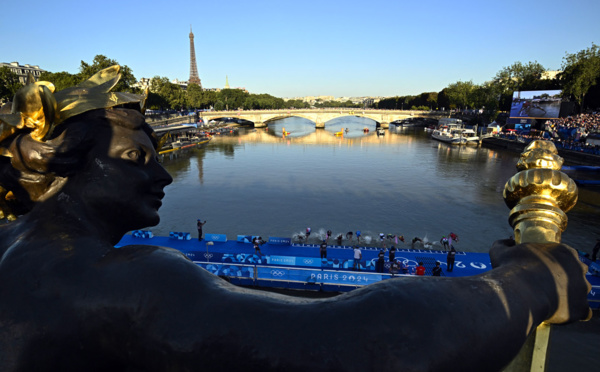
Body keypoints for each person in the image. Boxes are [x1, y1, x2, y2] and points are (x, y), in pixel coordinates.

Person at [0, 67, 592, 372]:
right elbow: (366, 348)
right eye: (136, 158)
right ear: (65, 165)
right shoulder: (128, 281)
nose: (163, 176)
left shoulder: (17, 249)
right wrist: (528, 281)